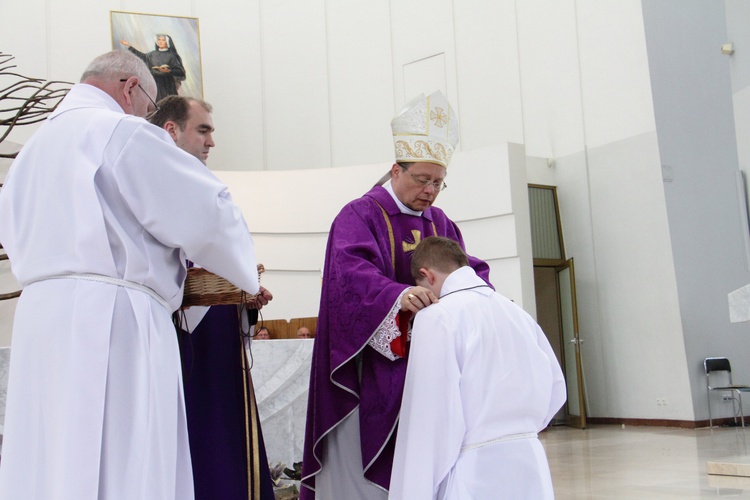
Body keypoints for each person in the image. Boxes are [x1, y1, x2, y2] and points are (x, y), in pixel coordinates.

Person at [0, 51, 261, 499]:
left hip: (41, 322)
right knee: (125, 456)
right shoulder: (118, 131)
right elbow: (208, 213)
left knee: (52, 455)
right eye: (148, 105)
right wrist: (243, 273)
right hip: (114, 319)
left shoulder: (30, 153)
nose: (147, 115)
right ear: (129, 87)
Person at [301, 91, 492, 499]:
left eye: (439, 182)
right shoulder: (359, 215)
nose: (431, 191)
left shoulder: (441, 222)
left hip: (426, 371)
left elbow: (467, 269)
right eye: (422, 179)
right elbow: (349, 277)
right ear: (395, 170)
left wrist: (481, 294)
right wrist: (397, 297)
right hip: (370, 368)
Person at [149, 95, 276, 500]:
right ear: (171, 130)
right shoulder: (152, 181)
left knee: (228, 430)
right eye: (203, 130)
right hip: (180, 336)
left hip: (220, 333)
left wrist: (244, 298)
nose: (211, 141)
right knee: (198, 435)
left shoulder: (202, 183)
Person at [388, 236, 566, 499]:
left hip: (474, 470)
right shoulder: (517, 313)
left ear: (427, 276)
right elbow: (556, 388)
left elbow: (429, 417)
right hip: (530, 463)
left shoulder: (437, 317)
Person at [120, 34, 185, 101]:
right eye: (159, 40)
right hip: (154, 83)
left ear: (167, 42)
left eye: (163, 40)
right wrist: (129, 46)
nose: (160, 42)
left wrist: (169, 71)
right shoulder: (152, 54)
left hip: (166, 84)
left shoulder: (172, 56)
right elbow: (142, 57)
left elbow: (180, 71)